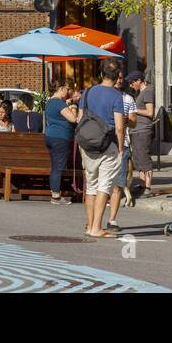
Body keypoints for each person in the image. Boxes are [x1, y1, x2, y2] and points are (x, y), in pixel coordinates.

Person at [77, 61, 127, 239]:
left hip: (87, 144)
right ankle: (97, 227)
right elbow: (119, 127)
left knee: (90, 186)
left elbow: (80, 118)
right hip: (107, 144)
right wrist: (121, 147)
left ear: (101, 74)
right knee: (104, 186)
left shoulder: (88, 92)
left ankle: (89, 226)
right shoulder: (116, 96)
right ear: (117, 76)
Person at [106, 73, 137, 230]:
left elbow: (133, 122)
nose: (119, 80)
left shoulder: (128, 99)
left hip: (122, 145)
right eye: (116, 77)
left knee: (118, 184)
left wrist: (124, 119)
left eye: (120, 77)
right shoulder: (102, 96)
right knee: (101, 184)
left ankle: (112, 220)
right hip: (103, 144)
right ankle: (93, 222)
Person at [44, 82, 76, 205]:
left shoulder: (50, 102)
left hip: (50, 135)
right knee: (58, 167)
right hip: (60, 137)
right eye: (67, 89)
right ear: (60, 88)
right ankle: (56, 196)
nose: (68, 92)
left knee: (54, 166)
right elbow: (73, 119)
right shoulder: (58, 102)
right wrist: (73, 107)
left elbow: (57, 114)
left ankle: (54, 193)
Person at [127, 70, 156, 194]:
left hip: (143, 129)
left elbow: (150, 113)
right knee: (138, 158)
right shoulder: (140, 93)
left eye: (132, 82)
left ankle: (147, 186)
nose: (131, 85)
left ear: (139, 80)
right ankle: (142, 183)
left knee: (144, 157)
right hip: (136, 130)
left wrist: (134, 109)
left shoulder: (148, 91)